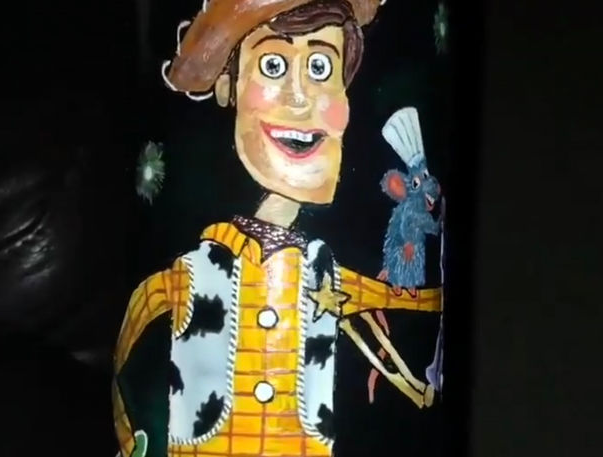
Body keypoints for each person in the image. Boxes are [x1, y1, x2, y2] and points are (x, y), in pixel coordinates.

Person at [113, 1, 443, 456]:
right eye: (273, 66)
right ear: (228, 86)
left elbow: (411, 319)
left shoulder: (330, 277)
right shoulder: (183, 281)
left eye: (321, 68)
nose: (300, 97)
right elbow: (128, 378)